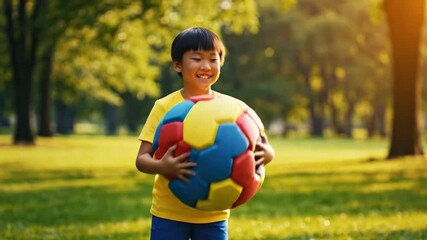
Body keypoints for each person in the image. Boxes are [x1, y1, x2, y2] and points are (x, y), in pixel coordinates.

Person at [135, 27, 275, 240]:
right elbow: (141, 159)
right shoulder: (165, 107)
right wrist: (163, 166)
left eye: (213, 59)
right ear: (178, 65)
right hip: (169, 213)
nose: (206, 66)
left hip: (214, 214)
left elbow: (261, 148)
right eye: (196, 58)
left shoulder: (233, 110)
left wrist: (268, 155)